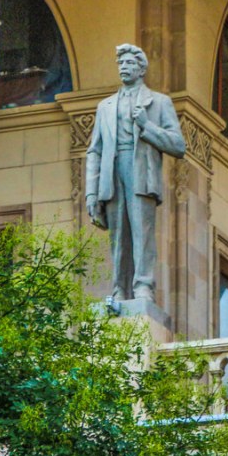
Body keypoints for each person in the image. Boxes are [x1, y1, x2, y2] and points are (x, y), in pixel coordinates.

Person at [85, 44, 186, 302]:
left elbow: (178, 145)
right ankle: (119, 288)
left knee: (142, 231)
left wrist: (146, 126)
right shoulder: (105, 106)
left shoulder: (159, 102)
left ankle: (143, 285)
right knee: (118, 234)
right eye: (121, 63)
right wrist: (91, 193)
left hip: (141, 171)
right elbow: (94, 151)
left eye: (129, 63)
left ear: (141, 70)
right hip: (112, 172)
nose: (123, 67)